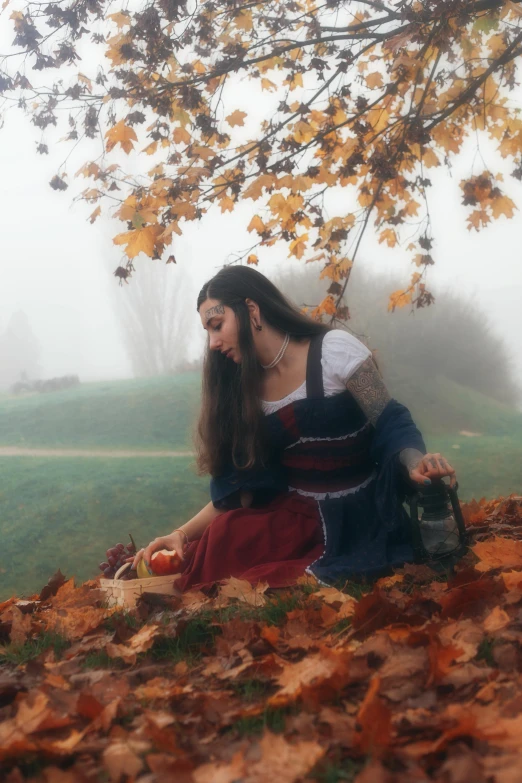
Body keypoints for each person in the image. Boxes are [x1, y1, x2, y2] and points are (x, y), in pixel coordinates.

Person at [132, 266, 457, 590]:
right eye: (208, 332)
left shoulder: (334, 351)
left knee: (271, 578)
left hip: (361, 514)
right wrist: (179, 534)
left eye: (217, 325)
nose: (213, 342)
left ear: (251, 310)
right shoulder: (243, 391)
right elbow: (239, 492)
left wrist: (415, 462)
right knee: (225, 536)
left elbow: (390, 420)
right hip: (297, 520)